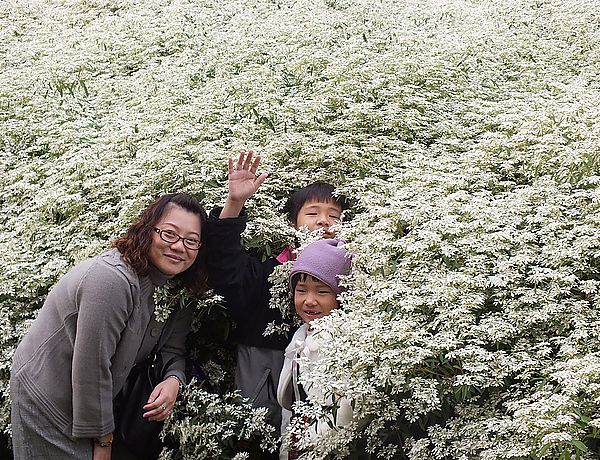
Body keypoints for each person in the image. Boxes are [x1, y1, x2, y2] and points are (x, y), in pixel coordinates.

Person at [10, 193, 208, 460]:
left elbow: (173, 349)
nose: (179, 246)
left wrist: (174, 380)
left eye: (191, 240)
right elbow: (92, 365)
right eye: (169, 234)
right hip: (47, 396)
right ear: (148, 230)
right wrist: (103, 442)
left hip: (92, 402)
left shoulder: (177, 289)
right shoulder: (111, 279)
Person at [205, 151, 349, 450]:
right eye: (312, 213)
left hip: (325, 373)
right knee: (255, 441)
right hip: (262, 363)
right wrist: (234, 204)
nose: (323, 221)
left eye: (333, 215)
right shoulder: (272, 266)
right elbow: (226, 270)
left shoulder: (352, 271)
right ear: (292, 222)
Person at [277, 238, 353, 459]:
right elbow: (293, 403)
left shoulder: (343, 342)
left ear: (342, 296)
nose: (309, 301)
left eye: (321, 292)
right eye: (302, 290)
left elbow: (345, 412)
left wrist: (309, 444)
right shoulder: (301, 335)